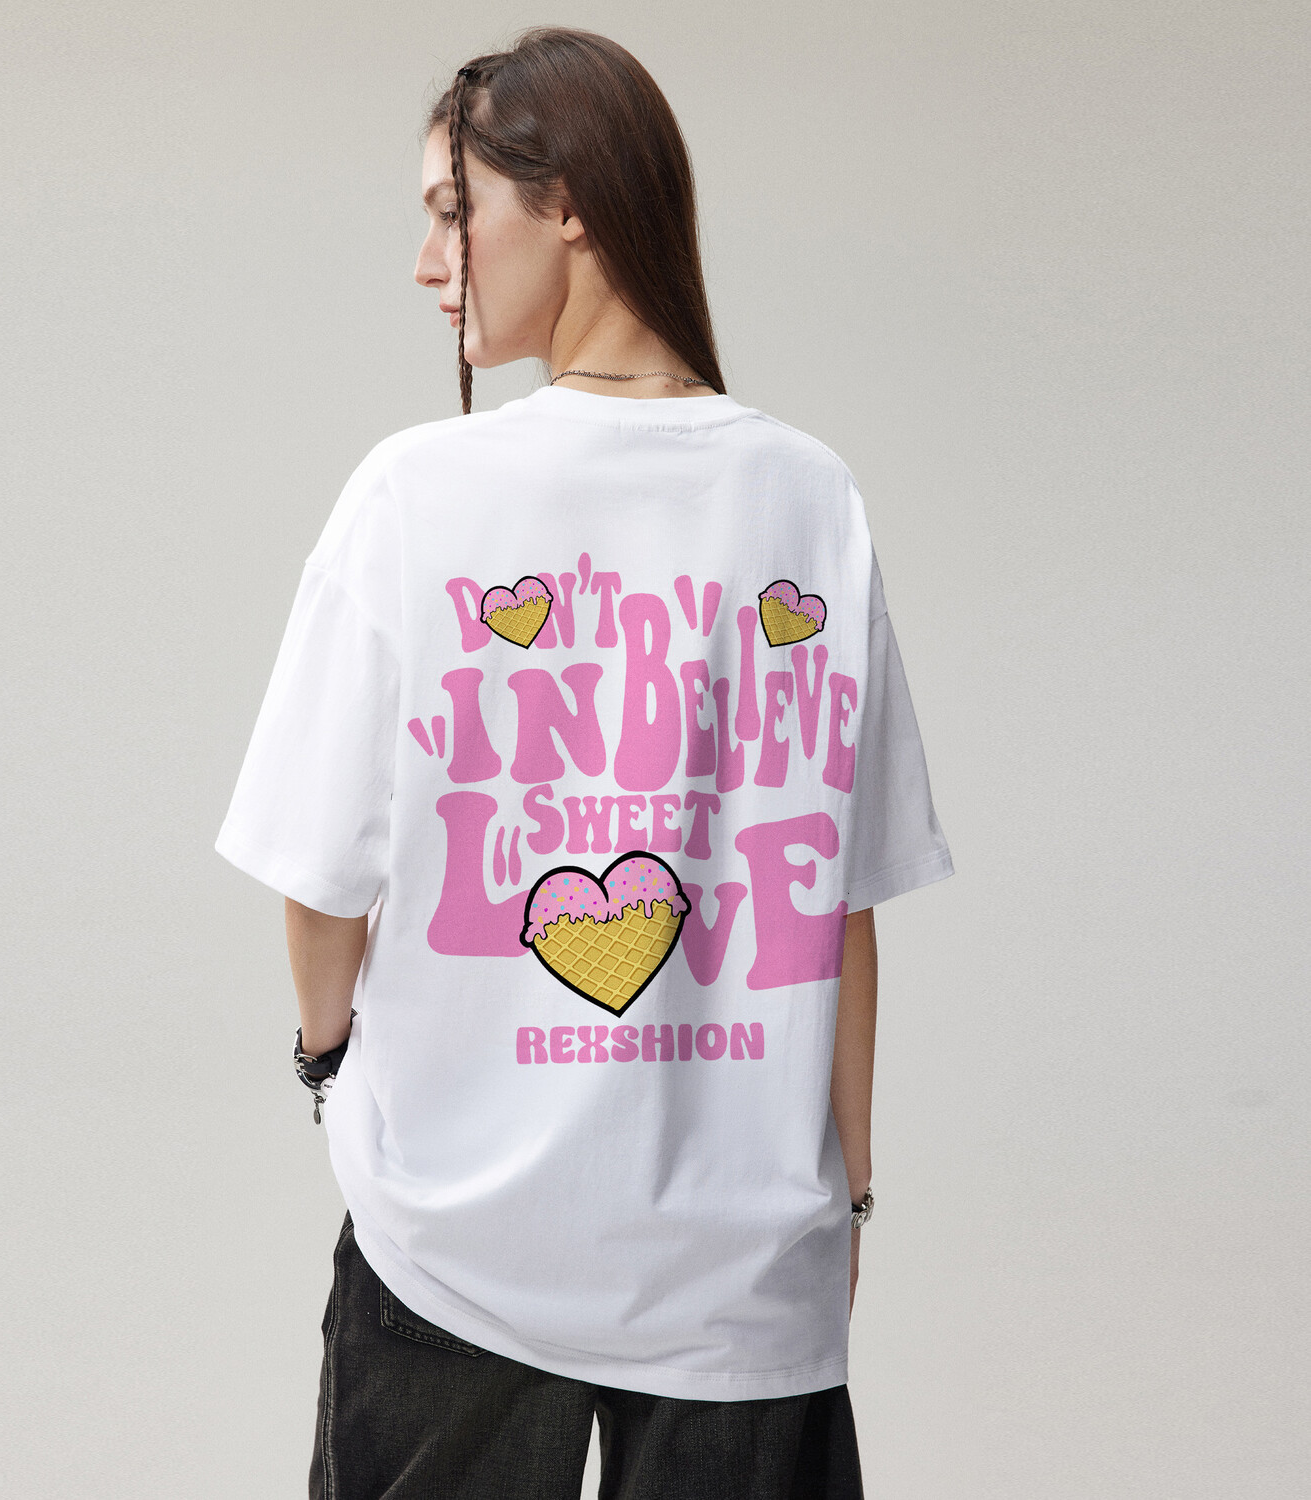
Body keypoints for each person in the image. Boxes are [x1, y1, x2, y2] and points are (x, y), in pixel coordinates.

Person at [215, 26, 953, 1500]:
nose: (429, 265)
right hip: (744, 1269)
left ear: (568, 203)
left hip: (452, 1244)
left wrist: (327, 1058)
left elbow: (320, 884)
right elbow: (839, 910)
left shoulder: (415, 494)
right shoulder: (810, 498)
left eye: (453, 210)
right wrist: (849, 1199)